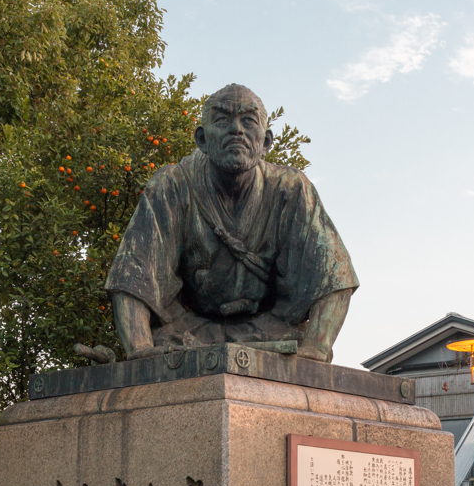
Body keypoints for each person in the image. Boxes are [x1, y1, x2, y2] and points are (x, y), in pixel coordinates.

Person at [103, 84, 358, 363]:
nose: (236, 129)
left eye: (249, 121)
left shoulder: (291, 190)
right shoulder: (172, 186)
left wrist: (316, 349)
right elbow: (134, 275)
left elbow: (334, 277)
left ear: (266, 142)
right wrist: (139, 349)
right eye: (222, 120)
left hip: (268, 331)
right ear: (202, 139)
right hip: (188, 332)